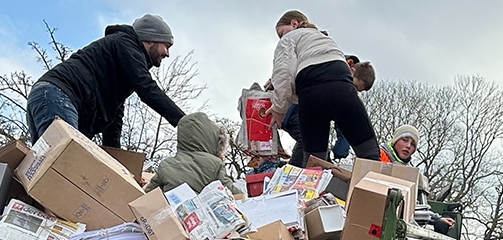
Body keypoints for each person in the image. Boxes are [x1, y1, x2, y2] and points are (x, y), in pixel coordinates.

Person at [26, 14, 185, 147]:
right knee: (66, 162)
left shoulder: (122, 64)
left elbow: (114, 116)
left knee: (44, 169)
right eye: (166, 46)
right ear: (151, 39)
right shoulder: (125, 43)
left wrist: (116, 161)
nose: (167, 53)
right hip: (58, 95)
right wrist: (184, 122)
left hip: (50, 97)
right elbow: (146, 87)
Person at [260, 11, 381, 166]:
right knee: (370, 153)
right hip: (342, 88)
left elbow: (283, 73)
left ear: (294, 24)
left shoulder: (288, 39)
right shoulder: (324, 38)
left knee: (314, 163)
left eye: (281, 33)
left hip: (310, 95)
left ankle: (311, 185)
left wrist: (279, 108)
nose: (280, 38)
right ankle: (376, 186)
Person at [282, 56, 375, 166]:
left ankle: (319, 168)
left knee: (319, 150)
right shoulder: (337, 78)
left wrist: (340, 150)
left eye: (357, 90)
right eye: (354, 86)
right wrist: (341, 150)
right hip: (294, 112)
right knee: (309, 141)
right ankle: (294, 169)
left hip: (302, 110)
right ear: (351, 71)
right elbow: (344, 116)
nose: (353, 91)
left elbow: (344, 120)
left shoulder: (336, 64)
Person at [144, 112, 240, 195]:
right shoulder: (215, 164)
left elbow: (148, 195)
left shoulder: (166, 165)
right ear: (212, 139)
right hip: (202, 214)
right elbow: (233, 193)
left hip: (171, 214)